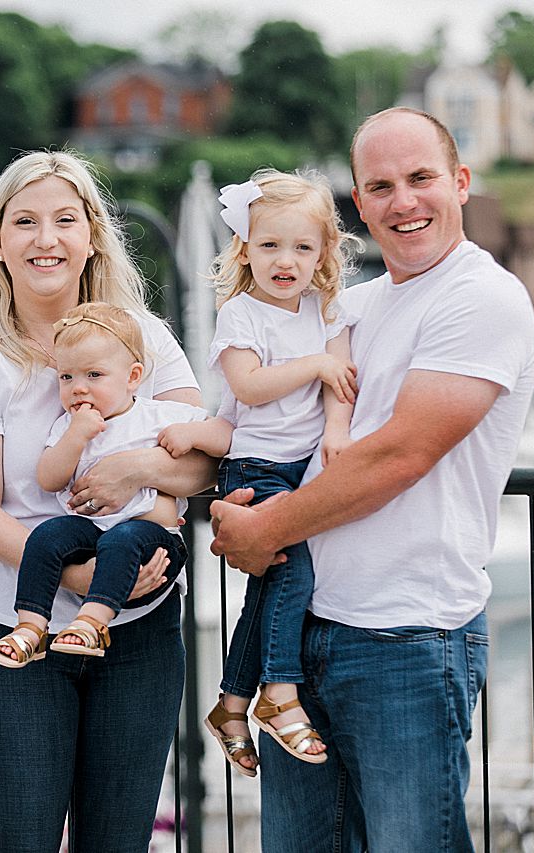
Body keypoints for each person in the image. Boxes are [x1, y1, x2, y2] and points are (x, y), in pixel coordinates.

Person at [210, 107, 534, 851]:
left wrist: (266, 527)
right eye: (381, 186)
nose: (404, 201)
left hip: (408, 638)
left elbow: (400, 455)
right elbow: (248, 414)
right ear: (360, 204)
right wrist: (152, 468)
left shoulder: (480, 297)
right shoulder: (348, 308)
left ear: (460, 182)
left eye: (422, 178)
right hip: (302, 636)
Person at [0, 150, 216, 852]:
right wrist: (90, 580)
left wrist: (134, 470)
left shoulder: (144, 338)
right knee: (22, 836)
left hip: (141, 635)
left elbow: (204, 460)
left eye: (64, 219)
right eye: (24, 221)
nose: (46, 239)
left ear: (93, 235)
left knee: (118, 841)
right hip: (13, 629)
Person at [178, 169, 359, 776]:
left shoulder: (325, 311)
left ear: (323, 254)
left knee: (270, 585)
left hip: (303, 467)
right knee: (294, 572)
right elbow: (250, 388)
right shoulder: (241, 316)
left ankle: (231, 703)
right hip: (255, 466)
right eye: (270, 245)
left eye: (303, 248)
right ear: (245, 249)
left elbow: (341, 381)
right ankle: (277, 693)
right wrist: (311, 365)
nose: (286, 260)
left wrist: (336, 430)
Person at [0, 301, 225, 667]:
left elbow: (226, 437)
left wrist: (192, 433)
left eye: (94, 375)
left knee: (122, 539)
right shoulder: (68, 426)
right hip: (90, 529)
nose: (78, 388)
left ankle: (93, 623)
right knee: (46, 536)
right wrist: (75, 438)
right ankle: (31, 627)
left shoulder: (158, 415)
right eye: (67, 378)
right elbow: (49, 478)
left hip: (151, 537)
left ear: (132, 377)